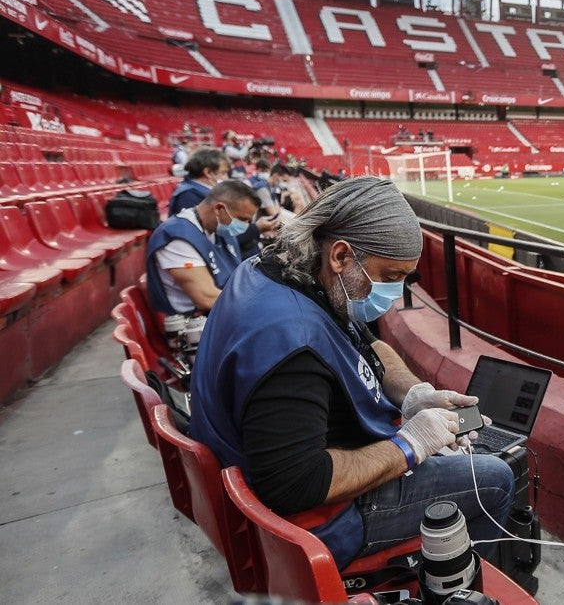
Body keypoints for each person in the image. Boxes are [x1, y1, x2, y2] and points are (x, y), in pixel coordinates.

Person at [190, 177, 514, 570]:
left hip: (270, 477)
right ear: (341, 256)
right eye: (391, 276)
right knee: (495, 477)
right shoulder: (292, 344)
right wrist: (410, 446)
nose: (395, 292)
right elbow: (295, 485)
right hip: (310, 527)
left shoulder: (285, 273)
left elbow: (366, 345)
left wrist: (413, 393)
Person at [145, 180, 260, 315]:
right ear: (219, 209)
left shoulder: (221, 229)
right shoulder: (177, 237)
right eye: (242, 219)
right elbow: (207, 298)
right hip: (193, 322)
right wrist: (257, 306)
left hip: (224, 311)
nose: (245, 225)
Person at [168, 148, 229, 217]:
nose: (226, 178)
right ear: (208, 172)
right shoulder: (188, 195)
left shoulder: (196, 190)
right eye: (223, 173)